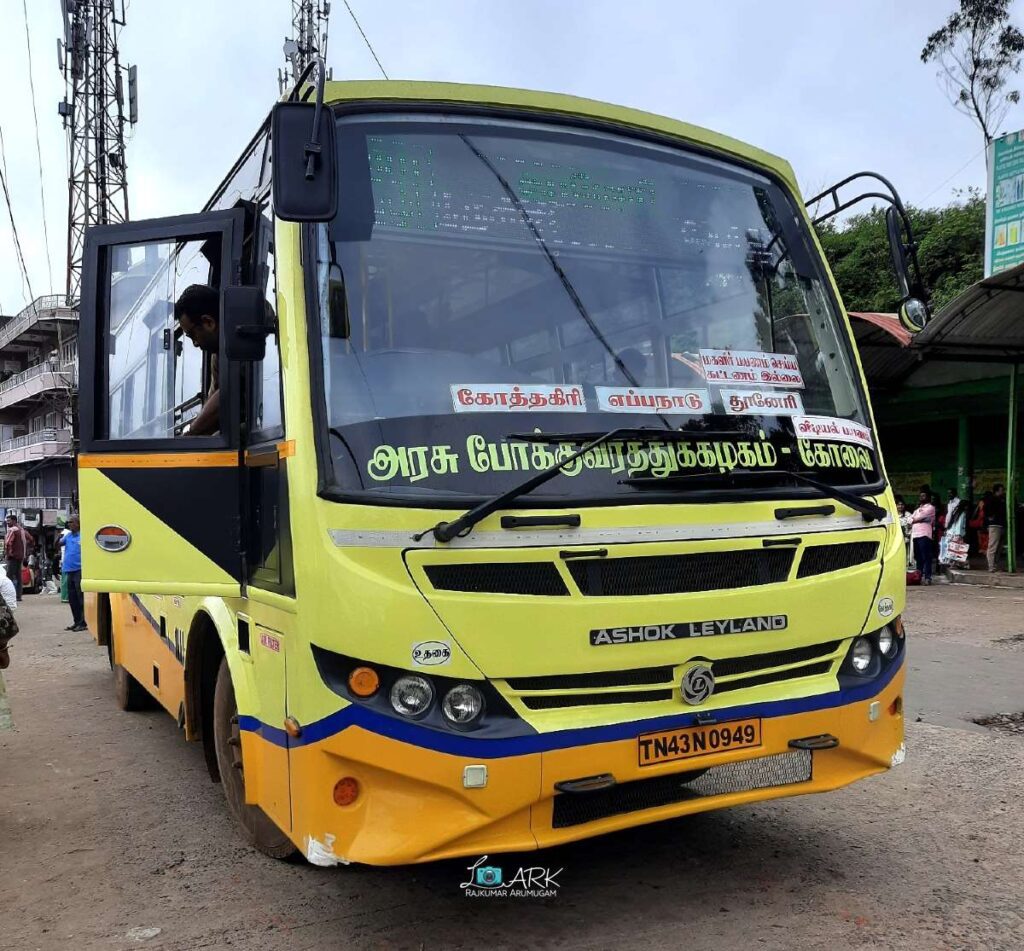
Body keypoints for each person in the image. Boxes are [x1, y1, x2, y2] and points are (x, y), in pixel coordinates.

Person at [174, 284, 221, 436]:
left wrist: (190, 433)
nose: (194, 343)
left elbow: (225, 397)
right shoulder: (217, 356)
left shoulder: (247, 336)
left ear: (208, 322)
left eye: (192, 335)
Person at [59, 515, 86, 632]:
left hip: (79, 570)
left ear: (78, 524)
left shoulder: (83, 536)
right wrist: (58, 537)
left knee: (80, 597)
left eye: (71, 522)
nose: (69, 524)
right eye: (68, 522)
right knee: (72, 598)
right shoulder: (68, 536)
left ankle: (83, 622)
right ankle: (76, 621)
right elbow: (58, 544)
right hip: (68, 570)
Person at [910, 489, 936, 585]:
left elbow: (917, 518)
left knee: (926, 557)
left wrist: (915, 520)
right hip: (916, 534)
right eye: (920, 496)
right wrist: (915, 520)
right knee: (918, 557)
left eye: (924, 496)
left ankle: (928, 577)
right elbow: (910, 519)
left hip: (925, 534)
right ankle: (918, 577)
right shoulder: (917, 509)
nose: (921, 497)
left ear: (928, 497)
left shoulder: (930, 508)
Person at [4, 513, 29, 602]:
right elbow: (28, 540)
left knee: (9, 577)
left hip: (13, 556)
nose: (7, 522)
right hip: (20, 556)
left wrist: (7, 554)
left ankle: (8, 596)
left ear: (14, 521)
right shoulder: (22, 530)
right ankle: (18, 596)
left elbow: (7, 543)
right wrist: (24, 554)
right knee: (18, 577)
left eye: (9, 521)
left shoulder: (12, 530)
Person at [986, 483, 1008, 573]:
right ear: (997, 490)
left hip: (1001, 525)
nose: (1003, 491)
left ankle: (995, 565)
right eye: (1002, 490)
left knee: (999, 547)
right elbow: (988, 512)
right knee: (993, 547)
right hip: (995, 525)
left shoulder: (1002, 499)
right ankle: (991, 566)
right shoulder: (992, 500)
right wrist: (991, 518)